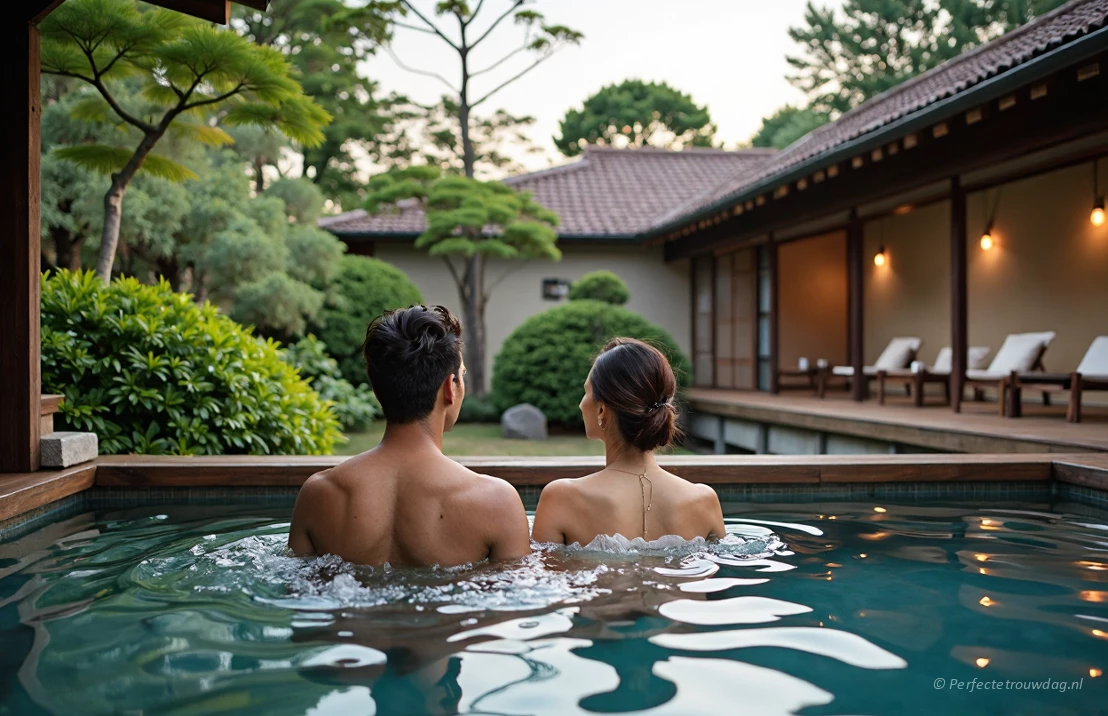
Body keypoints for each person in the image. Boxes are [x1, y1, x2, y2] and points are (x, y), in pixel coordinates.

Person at [288, 305, 531, 566]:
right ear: (450, 388)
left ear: (376, 388)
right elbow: (511, 600)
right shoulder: (496, 501)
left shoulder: (318, 493)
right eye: (462, 375)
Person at [531, 337, 726, 546]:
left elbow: (542, 572)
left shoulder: (562, 499)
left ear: (601, 410)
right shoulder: (704, 500)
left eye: (586, 392)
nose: (580, 404)